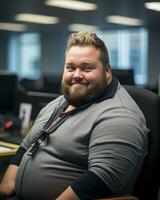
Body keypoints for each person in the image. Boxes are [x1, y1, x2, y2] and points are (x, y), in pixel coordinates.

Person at [0, 32, 149, 200]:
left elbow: (101, 178)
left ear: (107, 71)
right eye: (70, 67)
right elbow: (28, 144)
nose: (77, 75)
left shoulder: (119, 115)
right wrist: (6, 187)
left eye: (87, 68)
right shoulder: (60, 102)